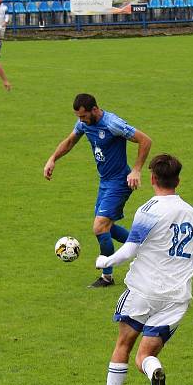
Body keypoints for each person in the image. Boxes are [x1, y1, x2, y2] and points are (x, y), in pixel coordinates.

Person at [92, 153, 193, 385]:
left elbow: (130, 250)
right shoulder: (192, 213)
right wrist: (177, 266)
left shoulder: (149, 209)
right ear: (177, 180)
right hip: (177, 296)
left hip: (144, 291)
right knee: (144, 355)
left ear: (153, 178)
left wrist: (105, 260)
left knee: (124, 344)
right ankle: (154, 370)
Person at [43, 93, 153, 288]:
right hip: (105, 182)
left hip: (119, 182)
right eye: (78, 117)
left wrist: (136, 170)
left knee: (99, 227)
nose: (81, 121)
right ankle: (148, 250)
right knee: (106, 228)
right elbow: (70, 141)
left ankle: (107, 276)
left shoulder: (112, 124)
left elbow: (145, 140)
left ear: (94, 110)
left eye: (83, 116)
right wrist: (52, 159)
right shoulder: (85, 124)